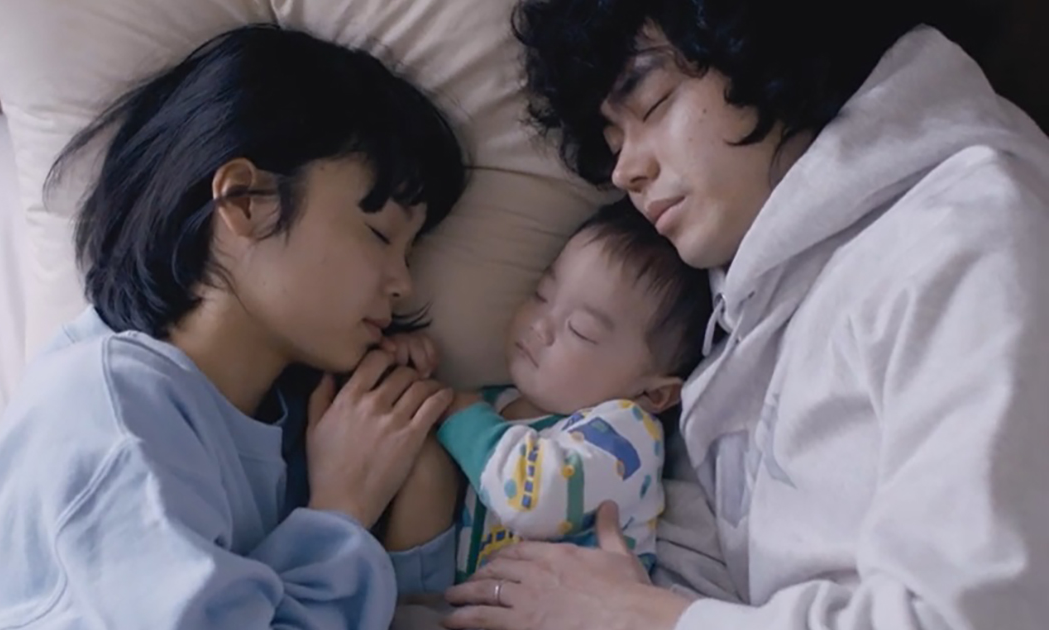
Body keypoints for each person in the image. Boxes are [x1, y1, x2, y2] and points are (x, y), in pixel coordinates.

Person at [440, 1, 1049, 629]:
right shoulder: (727, 316)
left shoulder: (974, 234)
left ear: (764, 46)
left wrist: (638, 616)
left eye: (652, 104)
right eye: (613, 141)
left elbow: (976, 615)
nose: (625, 170)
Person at [0, 25, 468, 630]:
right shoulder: (116, 413)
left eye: (410, 253)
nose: (402, 284)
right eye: (381, 235)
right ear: (245, 202)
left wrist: (399, 452)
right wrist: (342, 510)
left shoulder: (284, 428)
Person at [382, 199, 711, 584]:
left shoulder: (627, 434)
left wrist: (458, 414)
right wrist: (403, 372)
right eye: (541, 295)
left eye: (581, 330)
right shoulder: (493, 405)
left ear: (653, 395)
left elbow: (535, 497)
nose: (540, 325)